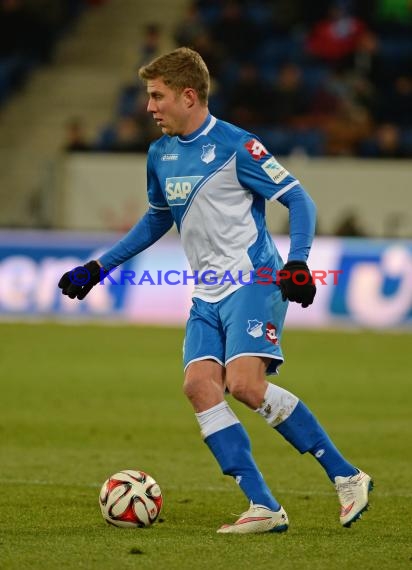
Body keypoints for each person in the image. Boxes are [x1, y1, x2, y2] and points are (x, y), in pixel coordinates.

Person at [58, 47, 373, 534]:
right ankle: (263, 506)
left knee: (244, 385)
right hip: (206, 292)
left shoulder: (236, 146)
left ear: (189, 96)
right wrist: (99, 267)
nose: (149, 107)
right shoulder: (160, 153)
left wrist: (298, 263)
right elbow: (157, 218)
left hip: (254, 278)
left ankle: (346, 475)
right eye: (148, 97)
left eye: (157, 96)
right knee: (199, 387)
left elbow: (298, 199)